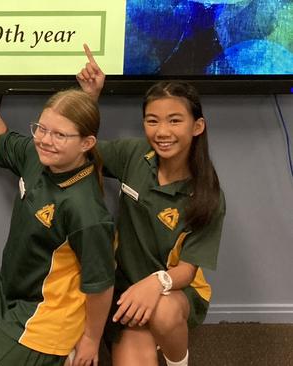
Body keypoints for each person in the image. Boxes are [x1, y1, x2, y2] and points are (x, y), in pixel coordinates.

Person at [0, 51, 115, 366]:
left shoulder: (87, 212)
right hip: (7, 292)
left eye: (59, 135)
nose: (45, 140)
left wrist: (90, 341)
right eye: (42, 129)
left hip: (46, 314)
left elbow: (101, 286)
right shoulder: (36, 155)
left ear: (86, 144)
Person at [76, 44, 226, 366]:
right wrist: (90, 96)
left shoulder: (207, 194)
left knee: (165, 311)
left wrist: (156, 282)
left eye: (175, 120)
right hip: (125, 287)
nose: (162, 132)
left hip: (173, 291)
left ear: (196, 127)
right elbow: (81, 149)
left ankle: (177, 360)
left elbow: (187, 269)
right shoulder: (133, 154)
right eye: (152, 121)